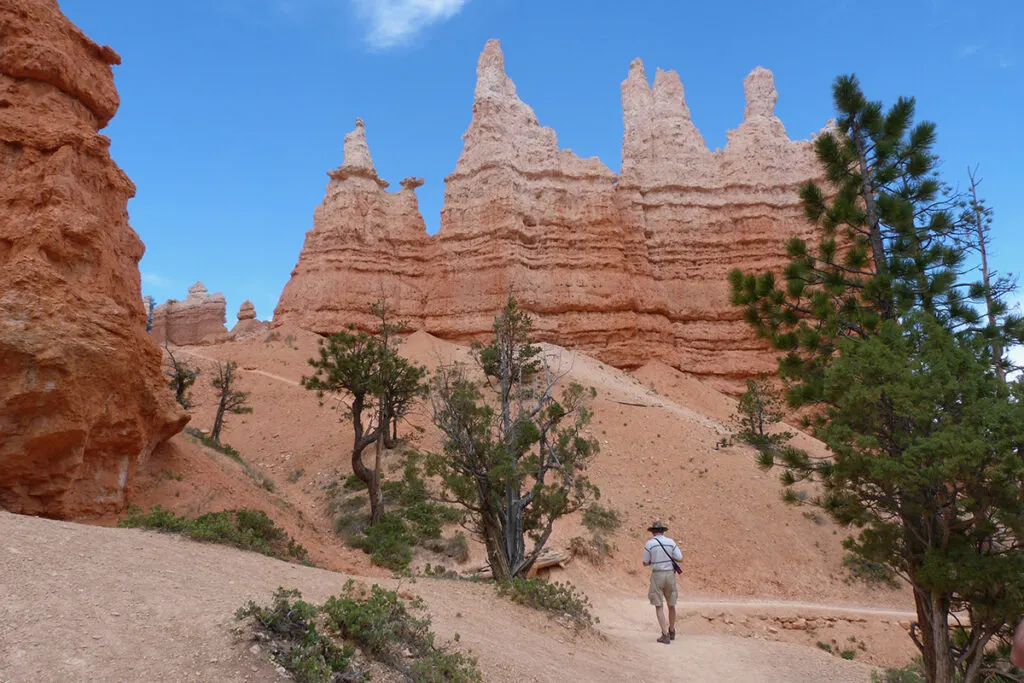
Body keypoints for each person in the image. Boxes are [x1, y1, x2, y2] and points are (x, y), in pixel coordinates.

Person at [642, 520, 683, 644]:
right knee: (671, 604)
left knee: (659, 605)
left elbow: (645, 562)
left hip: (657, 575)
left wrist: (654, 561)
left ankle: (664, 634)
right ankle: (671, 630)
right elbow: (680, 558)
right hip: (670, 575)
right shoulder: (671, 542)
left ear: (653, 532)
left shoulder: (649, 544)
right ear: (663, 531)